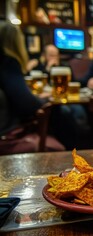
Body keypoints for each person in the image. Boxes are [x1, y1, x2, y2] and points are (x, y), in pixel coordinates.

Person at [0, 21, 64, 154]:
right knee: (60, 147)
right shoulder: (7, 62)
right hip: (7, 137)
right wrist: (44, 101)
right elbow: (27, 104)